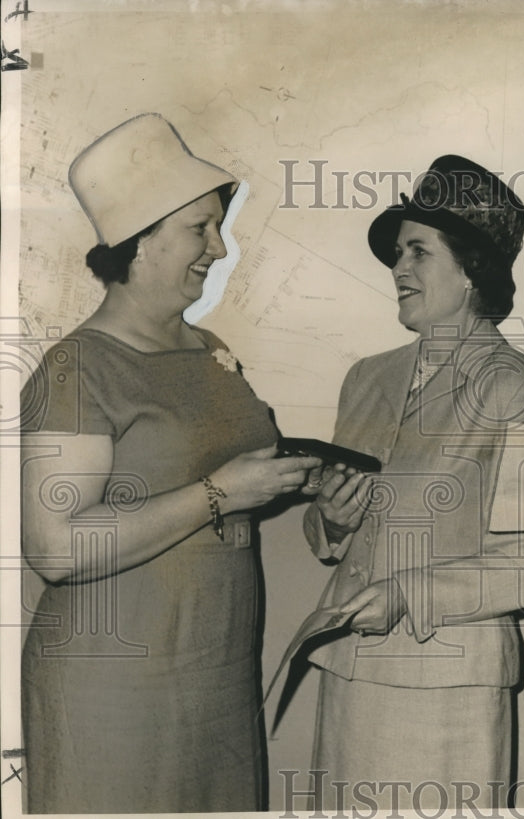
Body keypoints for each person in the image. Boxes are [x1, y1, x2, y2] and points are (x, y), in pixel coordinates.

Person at [20, 113, 320, 813]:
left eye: (218, 227)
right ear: (141, 240)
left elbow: (230, 480)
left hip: (214, 679)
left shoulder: (209, 350)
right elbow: (55, 547)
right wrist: (217, 492)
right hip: (113, 694)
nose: (220, 247)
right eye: (200, 229)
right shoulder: (78, 367)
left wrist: (298, 482)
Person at [301, 155, 524, 812]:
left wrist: (406, 594)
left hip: (446, 685)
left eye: (417, 251)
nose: (398, 269)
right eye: (398, 253)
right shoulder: (367, 377)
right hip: (348, 671)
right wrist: (331, 520)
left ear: (472, 266)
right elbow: (328, 534)